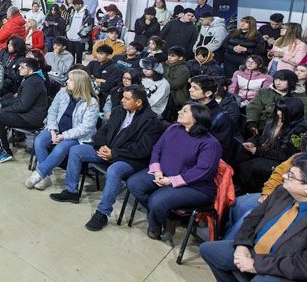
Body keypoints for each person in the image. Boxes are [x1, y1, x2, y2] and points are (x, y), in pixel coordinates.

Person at [50, 86, 165, 231]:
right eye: (123, 97)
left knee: (114, 170)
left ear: (138, 102)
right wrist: (102, 146)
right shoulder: (118, 111)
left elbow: (142, 150)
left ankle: (102, 213)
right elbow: (102, 132)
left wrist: (114, 153)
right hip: (107, 150)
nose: (122, 100)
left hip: (130, 159)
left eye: (127, 98)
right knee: (76, 150)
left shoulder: (151, 121)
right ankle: (71, 191)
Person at [200, 154, 307, 282]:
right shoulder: (282, 191)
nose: (283, 176)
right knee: (208, 250)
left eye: (291, 176)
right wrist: (242, 245)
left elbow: (301, 265)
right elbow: (253, 218)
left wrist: (256, 265)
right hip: (255, 250)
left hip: (285, 270)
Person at [127, 103, 221, 241]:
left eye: (184, 111)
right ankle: (169, 216)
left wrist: (171, 180)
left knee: (157, 200)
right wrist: (157, 170)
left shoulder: (210, 143)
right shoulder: (173, 128)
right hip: (164, 174)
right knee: (134, 184)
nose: (179, 112)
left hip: (195, 186)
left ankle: (155, 226)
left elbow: (202, 171)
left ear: (196, 118)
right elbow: (157, 149)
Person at [28, 69, 100, 189]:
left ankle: (39, 173)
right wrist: (52, 130)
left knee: (60, 148)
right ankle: (46, 177)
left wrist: (63, 136)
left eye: (70, 80)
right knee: (39, 140)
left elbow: (85, 128)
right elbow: (52, 111)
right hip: (56, 129)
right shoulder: (63, 92)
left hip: (77, 136)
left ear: (79, 83)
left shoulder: (91, 102)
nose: (67, 82)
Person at [236, 97, 307, 194]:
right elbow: (263, 137)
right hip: (267, 151)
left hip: (281, 160)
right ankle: (239, 186)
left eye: (283, 111)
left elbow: (285, 155)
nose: (279, 113)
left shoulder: (300, 129)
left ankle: (252, 191)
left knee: (252, 166)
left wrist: (257, 151)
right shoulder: (275, 121)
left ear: (293, 112)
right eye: (278, 110)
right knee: (241, 152)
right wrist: (253, 142)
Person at [0, 58, 49, 164]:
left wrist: (2, 110)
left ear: (30, 70)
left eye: (22, 67)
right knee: (1, 108)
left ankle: (6, 151)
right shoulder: (29, 78)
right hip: (26, 114)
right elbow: (17, 98)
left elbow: (22, 106)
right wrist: (1, 105)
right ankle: (0, 145)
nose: (19, 68)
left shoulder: (33, 82)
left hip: (31, 119)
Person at [246, 70, 301, 137]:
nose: (278, 83)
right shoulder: (264, 92)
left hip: (287, 131)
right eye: (276, 79)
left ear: (291, 81)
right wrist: (252, 123)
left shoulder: (300, 97)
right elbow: (254, 108)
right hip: (262, 126)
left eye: (282, 80)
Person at [65, 0, 93, 64]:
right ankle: (71, 67)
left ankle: (78, 68)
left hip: (79, 39)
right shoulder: (73, 12)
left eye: (75, 5)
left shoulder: (86, 13)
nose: (74, 6)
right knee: (71, 56)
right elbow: (68, 22)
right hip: (70, 38)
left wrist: (81, 35)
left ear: (80, 5)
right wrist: (67, 32)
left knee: (79, 57)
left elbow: (89, 26)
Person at [164, 46, 191, 112]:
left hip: (176, 98)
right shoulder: (164, 64)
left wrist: (161, 78)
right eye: (169, 55)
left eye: (173, 56)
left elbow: (175, 85)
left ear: (180, 58)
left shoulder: (183, 69)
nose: (169, 57)